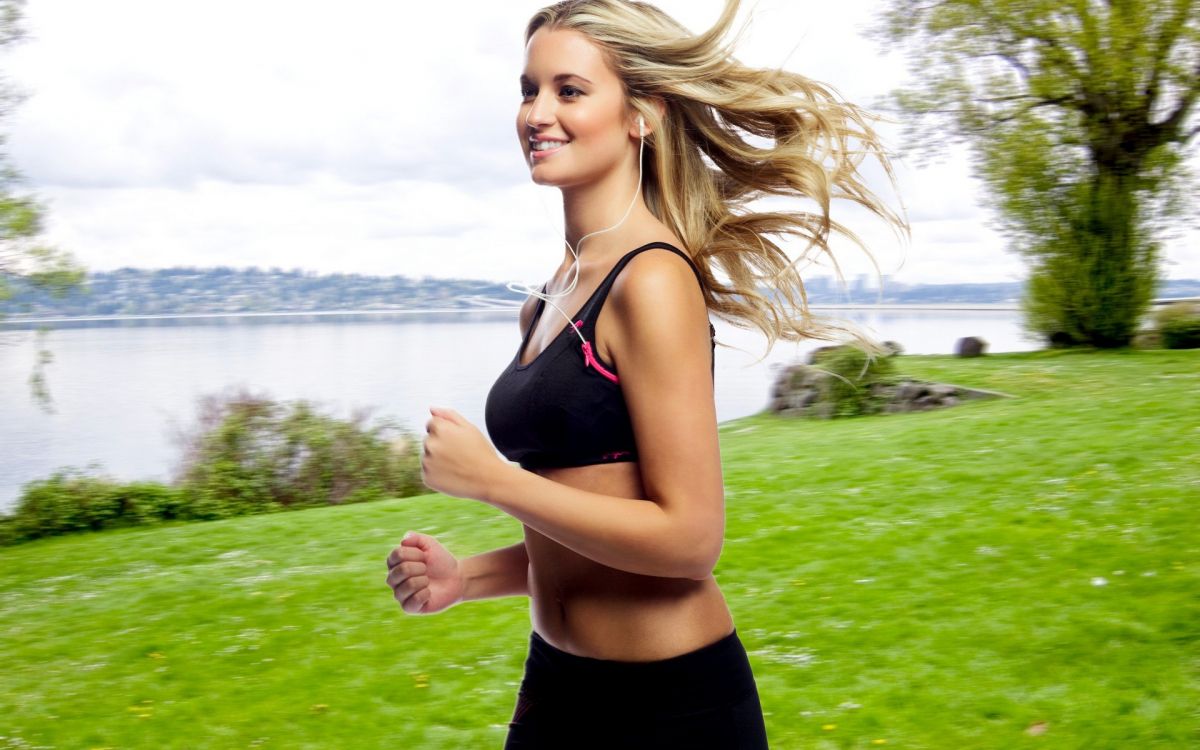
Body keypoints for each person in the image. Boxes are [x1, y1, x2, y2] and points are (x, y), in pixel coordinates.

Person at [385, 1, 904, 746]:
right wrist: (466, 578)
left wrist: (493, 481)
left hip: (671, 705)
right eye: (528, 90)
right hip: (558, 686)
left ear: (641, 115)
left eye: (569, 90)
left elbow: (689, 539)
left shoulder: (651, 281)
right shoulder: (548, 298)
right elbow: (583, 537)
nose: (538, 113)